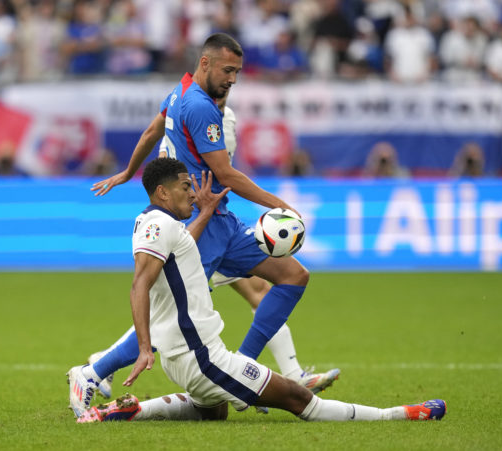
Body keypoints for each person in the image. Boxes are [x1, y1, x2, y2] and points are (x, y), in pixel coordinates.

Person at [72, 157, 447, 423]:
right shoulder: (154, 223)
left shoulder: (168, 226)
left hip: (184, 356)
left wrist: (204, 213)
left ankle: (131, 410)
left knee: (213, 410)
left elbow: (182, 245)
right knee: (299, 399)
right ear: (162, 193)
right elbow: (140, 283)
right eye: (185, 186)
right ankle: (401, 414)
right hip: (202, 357)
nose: (193, 191)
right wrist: (141, 347)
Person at [70, 33, 321, 418]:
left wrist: (128, 172)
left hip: (221, 219)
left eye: (237, 71)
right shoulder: (200, 106)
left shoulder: (178, 93)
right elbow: (226, 173)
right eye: (227, 70)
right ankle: (92, 372)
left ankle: (243, 366)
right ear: (205, 63)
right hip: (198, 222)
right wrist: (282, 205)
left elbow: (152, 131)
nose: (233, 79)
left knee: (293, 276)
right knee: (173, 318)